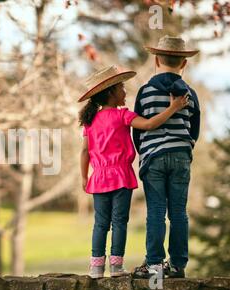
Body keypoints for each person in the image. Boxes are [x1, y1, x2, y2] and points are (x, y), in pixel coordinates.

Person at [78, 65, 189, 279]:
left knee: (100, 223)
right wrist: (173, 107)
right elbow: (148, 125)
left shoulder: (90, 121)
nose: (125, 91)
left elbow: (85, 151)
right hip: (120, 176)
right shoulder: (122, 116)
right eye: (121, 87)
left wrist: (84, 176)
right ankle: (116, 267)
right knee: (119, 221)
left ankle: (96, 268)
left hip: (99, 177)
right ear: (111, 93)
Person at [132, 35, 200, 279]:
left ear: (157, 60)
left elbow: (137, 128)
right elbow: (195, 128)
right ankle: (178, 264)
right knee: (179, 212)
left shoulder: (145, 91)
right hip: (181, 155)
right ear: (184, 63)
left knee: (156, 212)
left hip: (153, 158)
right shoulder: (189, 93)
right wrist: (185, 146)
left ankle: (154, 265)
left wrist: (146, 153)